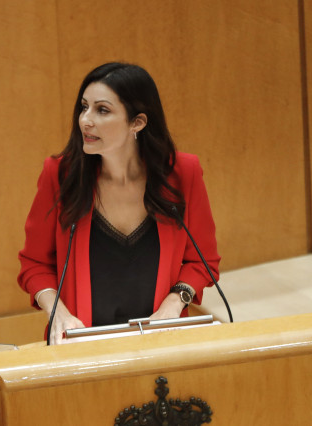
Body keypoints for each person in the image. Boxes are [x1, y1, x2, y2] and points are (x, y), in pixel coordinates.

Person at [18, 62, 220, 345]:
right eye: (83, 107)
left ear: (137, 122)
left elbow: (202, 261)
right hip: (81, 343)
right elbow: (35, 264)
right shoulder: (61, 175)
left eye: (102, 110)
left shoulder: (182, 173)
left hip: (162, 342)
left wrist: (175, 303)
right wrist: (57, 312)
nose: (85, 120)